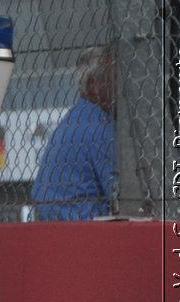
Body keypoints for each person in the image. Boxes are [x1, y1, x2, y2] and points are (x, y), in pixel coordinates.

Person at [30, 47, 117, 220]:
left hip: (57, 225)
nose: (120, 88)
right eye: (114, 79)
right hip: (87, 227)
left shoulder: (76, 118)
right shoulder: (99, 126)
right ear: (93, 86)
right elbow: (122, 196)